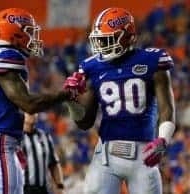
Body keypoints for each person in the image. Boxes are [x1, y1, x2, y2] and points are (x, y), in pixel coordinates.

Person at [64, 7, 176, 194]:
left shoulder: (152, 60)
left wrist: (163, 139)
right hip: (106, 153)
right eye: (99, 39)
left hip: (143, 152)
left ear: (127, 37)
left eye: (106, 39)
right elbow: (85, 123)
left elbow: (167, 108)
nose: (100, 45)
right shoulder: (93, 66)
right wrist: (70, 100)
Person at [0, 8, 81, 194]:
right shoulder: (7, 56)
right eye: (28, 31)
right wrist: (66, 93)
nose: (32, 37)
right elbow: (28, 103)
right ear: (14, 33)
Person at [21, 114, 64, 194]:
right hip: (23, 189)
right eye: (29, 112)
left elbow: (54, 163)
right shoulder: (16, 137)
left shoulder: (45, 136)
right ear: (23, 114)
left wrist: (59, 186)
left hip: (43, 189)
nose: (32, 114)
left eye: (34, 112)